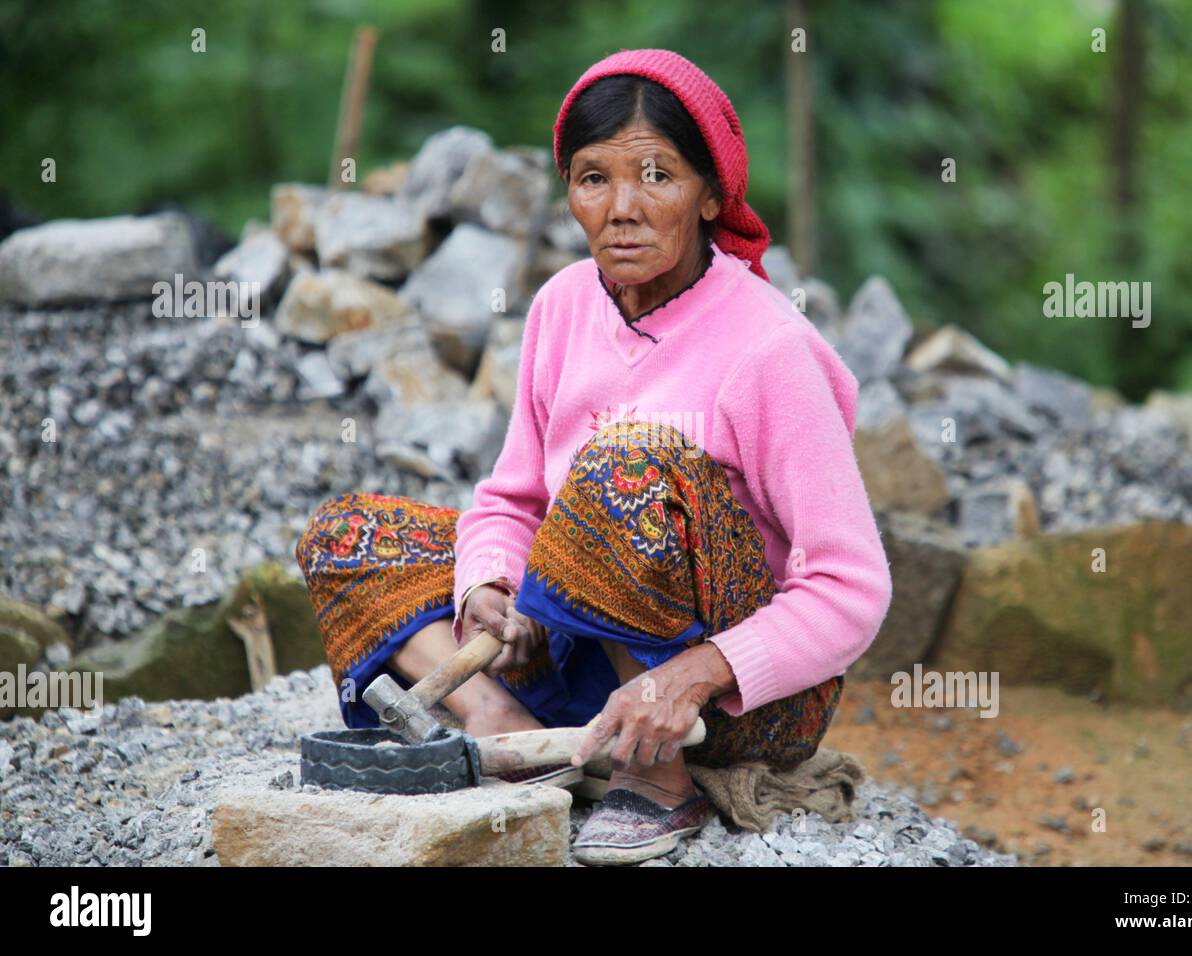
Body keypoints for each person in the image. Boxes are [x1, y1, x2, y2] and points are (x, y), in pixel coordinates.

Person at [295, 48, 892, 866]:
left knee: (625, 464)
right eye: (593, 178)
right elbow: (508, 503)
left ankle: (656, 778)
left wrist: (692, 674)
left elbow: (851, 586)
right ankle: (504, 730)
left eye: (657, 175)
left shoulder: (769, 349)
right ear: (569, 192)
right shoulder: (563, 307)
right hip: (572, 659)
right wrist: (490, 591)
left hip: (735, 701)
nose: (623, 209)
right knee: (346, 532)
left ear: (713, 194)